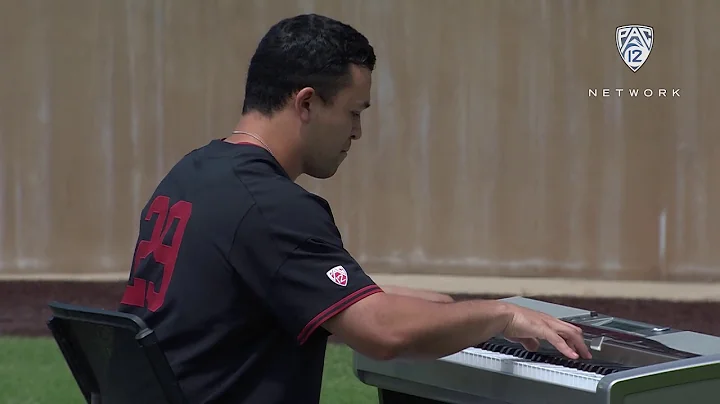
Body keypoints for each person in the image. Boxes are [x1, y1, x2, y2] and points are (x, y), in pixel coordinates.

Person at [117, 13, 591, 404]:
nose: (357, 133)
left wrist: (441, 309)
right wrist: (502, 315)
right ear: (307, 103)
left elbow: (266, 286)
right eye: (353, 112)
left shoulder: (193, 173)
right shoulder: (274, 205)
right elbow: (382, 334)